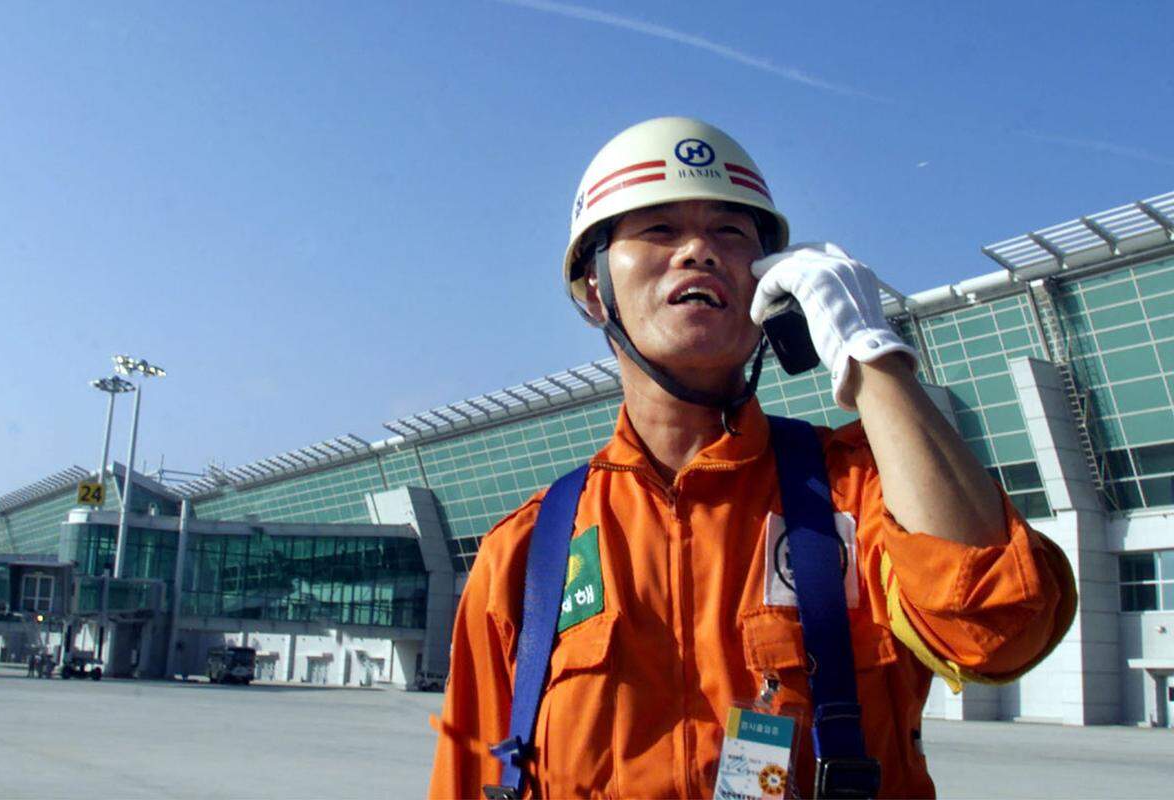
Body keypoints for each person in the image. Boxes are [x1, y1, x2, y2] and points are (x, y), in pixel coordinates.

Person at [428, 117, 1075, 799]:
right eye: (658, 229)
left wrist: (872, 356)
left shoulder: (858, 496)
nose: (699, 251)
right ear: (594, 291)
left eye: (731, 233)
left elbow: (999, 628)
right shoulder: (524, 557)